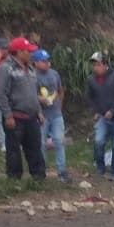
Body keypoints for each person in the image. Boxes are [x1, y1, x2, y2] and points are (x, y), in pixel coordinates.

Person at [0, 37, 46, 179]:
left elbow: (32, 92)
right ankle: (14, 178)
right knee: (13, 151)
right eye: (28, 51)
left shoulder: (30, 68)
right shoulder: (5, 68)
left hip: (31, 116)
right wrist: (8, 115)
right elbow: (0, 94)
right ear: (18, 52)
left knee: (35, 148)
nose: (31, 54)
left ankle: (39, 177)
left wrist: (39, 111)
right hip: (15, 117)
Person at [87, 51, 114, 182]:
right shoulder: (91, 79)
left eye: (98, 64)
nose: (95, 67)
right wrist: (96, 110)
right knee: (99, 141)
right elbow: (90, 97)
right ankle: (100, 168)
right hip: (102, 117)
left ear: (105, 65)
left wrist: (113, 110)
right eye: (93, 65)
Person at [33, 49, 69, 182]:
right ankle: (42, 170)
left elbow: (60, 90)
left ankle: (62, 171)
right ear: (35, 62)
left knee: (59, 141)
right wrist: (39, 110)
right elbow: (30, 96)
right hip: (42, 115)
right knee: (40, 144)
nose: (47, 63)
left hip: (56, 114)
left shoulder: (54, 74)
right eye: (43, 61)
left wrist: (59, 106)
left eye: (47, 60)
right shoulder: (32, 76)